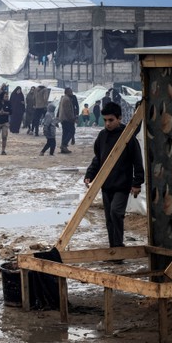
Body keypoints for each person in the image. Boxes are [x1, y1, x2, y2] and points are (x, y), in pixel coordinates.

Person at [84, 101, 144, 249]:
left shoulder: (128, 137)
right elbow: (98, 158)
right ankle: (113, 249)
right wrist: (90, 174)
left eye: (111, 120)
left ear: (119, 118)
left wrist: (137, 183)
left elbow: (137, 161)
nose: (108, 124)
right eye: (105, 120)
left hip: (122, 185)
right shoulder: (102, 136)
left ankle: (118, 246)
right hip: (106, 184)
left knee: (116, 213)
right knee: (109, 218)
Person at [58, 87, 77, 154]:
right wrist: (72, 118)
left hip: (64, 118)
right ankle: (64, 145)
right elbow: (68, 111)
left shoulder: (64, 98)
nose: (71, 93)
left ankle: (64, 148)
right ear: (67, 92)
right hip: (66, 119)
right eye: (70, 92)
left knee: (65, 133)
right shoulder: (67, 99)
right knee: (72, 131)